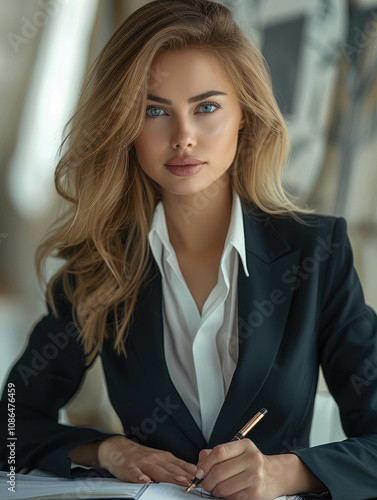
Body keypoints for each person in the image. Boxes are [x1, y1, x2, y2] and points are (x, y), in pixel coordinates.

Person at [1, 1, 377, 498]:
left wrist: (284, 472)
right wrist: (106, 449)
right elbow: (11, 424)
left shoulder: (317, 253)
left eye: (206, 107)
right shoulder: (100, 267)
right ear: (125, 126)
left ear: (245, 114)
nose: (182, 138)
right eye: (154, 110)